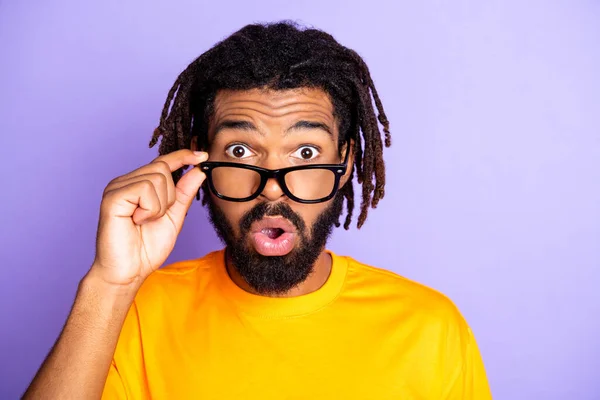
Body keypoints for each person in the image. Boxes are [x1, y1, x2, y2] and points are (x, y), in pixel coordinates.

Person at [25, 22, 492, 399]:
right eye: (243, 151)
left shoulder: (429, 328)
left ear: (346, 163)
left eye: (305, 153)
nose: (272, 192)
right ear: (198, 161)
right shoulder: (134, 311)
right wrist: (110, 284)